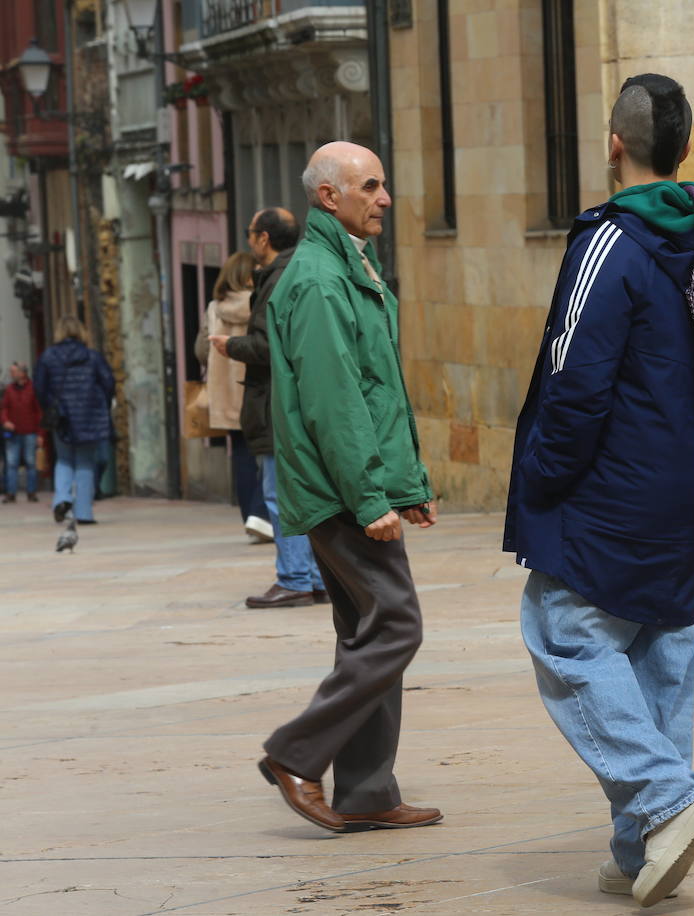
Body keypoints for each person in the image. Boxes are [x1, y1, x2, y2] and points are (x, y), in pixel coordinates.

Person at [505, 73, 694, 907]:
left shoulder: (607, 244)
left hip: (609, 493)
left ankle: (668, 801)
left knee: (563, 631)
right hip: (691, 496)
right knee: (659, 655)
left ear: (616, 143)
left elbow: (575, 379)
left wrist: (542, 478)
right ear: (682, 151)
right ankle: (640, 846)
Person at [257, 141, 441, 834]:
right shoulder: (319, 279)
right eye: (370, 186)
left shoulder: (344, 264)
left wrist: (404, 486)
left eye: (383, 185)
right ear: (329, 197)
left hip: (355, 486)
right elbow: (334, 406)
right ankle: (294, 755)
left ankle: (366, 790)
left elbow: (375, 388)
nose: (385, 198)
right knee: (397, 625)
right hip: (339, 493)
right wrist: (370, 500)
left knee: (368, 633)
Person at [215, 207, 327, 610]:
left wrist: (229, 346)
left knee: (280, 495)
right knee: (295, 494)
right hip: (292, 401)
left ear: (263, 238)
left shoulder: (277, 277)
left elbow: (266, 346)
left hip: (276, 403)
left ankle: (296, 577)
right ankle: (313, 577)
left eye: (250, 233)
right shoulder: (299, 268)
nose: (248, 241)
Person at [195, 251, 271, 541]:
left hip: (226, 395)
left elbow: (201, 351)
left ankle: (250, 519)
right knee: (268, 455)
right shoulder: (261, 303)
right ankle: (262, 514)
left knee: (240, 455)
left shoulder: (215, 308)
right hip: (257, 389)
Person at [33, 317, 114, 525]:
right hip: (89, 416)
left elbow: (40, 387)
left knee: (64, 459)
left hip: (62, 417)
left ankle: (62, 499)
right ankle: (84, 512)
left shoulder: (48, 357)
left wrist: (51, 407)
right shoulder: (92, 356)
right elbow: (108, 383)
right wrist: (101, 406)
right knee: (85, 462)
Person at [2, 362, 42, 503]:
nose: (13, 374)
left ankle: (31, 492)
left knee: (31, 463)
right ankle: (11, 493)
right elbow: (4, 408)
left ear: (23, 373)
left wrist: (40, 433)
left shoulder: (33, 389)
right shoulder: (9, 390)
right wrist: (5, 420)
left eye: (16, 371)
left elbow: (38, 412)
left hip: (30, 431)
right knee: (11, 463)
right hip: (13, 433)